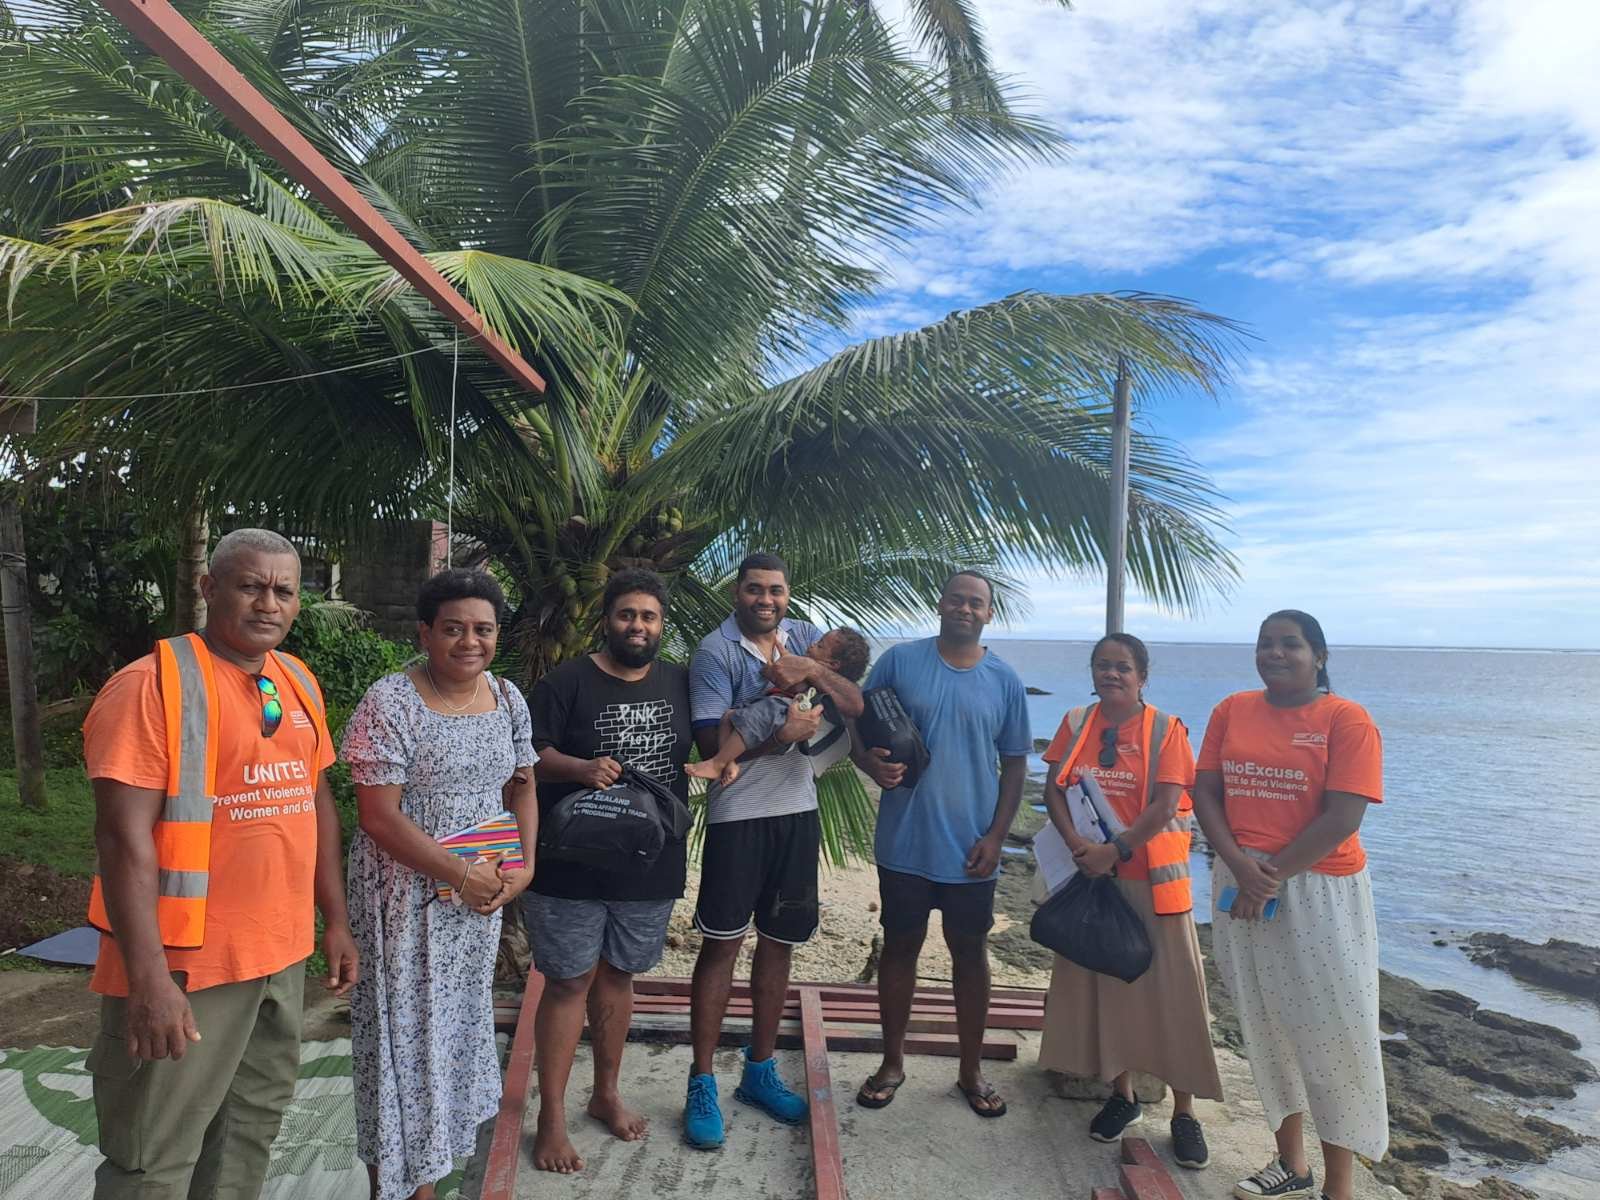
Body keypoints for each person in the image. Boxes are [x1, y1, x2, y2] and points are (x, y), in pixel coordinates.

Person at [82, 528, 359, 1200]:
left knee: (246, 1140)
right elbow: (123, 840)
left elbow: (314, 798)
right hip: (186, 965)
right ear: (210, 589)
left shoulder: (293, 679)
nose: (268, 602)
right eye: (250, 585)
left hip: (278, 957)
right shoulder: (150, 687)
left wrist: (335, 919)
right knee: (152, 1158)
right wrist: (150, 982)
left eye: (284, 590)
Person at [341, 569, 538, 1200]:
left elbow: (523, 788)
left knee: (452, 1032)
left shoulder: (508, 697)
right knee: (401, 1036)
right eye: (452, 629)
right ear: (425, 633)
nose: (469, 642)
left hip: (475, 903)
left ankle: (430, 1171)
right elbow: (377, 816)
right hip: (404, 898)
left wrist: (524, 866)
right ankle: (398, 1187)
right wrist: (459, 873)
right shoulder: (390, 701)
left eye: (482, 629)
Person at [1191, 611, 1386, 1200]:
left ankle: (1340, 1186)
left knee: (1334, 1033)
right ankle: (1290, 1164)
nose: (1274, 653)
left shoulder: (1346, 719)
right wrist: (1242, 870)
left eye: (1290, 644)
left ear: (1319, 656)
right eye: (1265, 644)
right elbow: (1205, 792)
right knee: (1265, 1023)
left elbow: (1344, 816)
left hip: (1318, 888)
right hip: (1239, 880)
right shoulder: (1232, 709)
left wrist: (1267, 877)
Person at [682, 552, 865, 1149]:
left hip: (798, 813)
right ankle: (702, 1079)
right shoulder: (715, 651)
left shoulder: (807, 637)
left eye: (777, 590)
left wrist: (813, 670)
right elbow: (713, 744)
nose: (766, 599)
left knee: (780, 945)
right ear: (738, 593)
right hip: (740, 815)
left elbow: (853, 699)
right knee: (721, 945)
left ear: (789, 595)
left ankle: (759, 1072)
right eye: (756, 589)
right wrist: (777, 738)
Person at [519, 568, 694, 1173]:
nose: (637, 626)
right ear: (607, 619)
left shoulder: (680, 681)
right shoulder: (567, 680)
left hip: (649, 864)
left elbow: (718, 735)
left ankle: (606, 1094)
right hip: (569, 865)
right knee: (567, 984)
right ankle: (552, 1118)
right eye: (627, 615)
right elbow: (527, 756)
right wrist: (579, 767)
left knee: (619, 978)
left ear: (662, 625)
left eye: (648, 617)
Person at [1036, 633, 1222, 1168]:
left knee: (1175, 997)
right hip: (1095, 879)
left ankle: (1185, 1113)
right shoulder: (1076, 723)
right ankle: (1124, 1097)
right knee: (1108, 988)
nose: (1110, 674)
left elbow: (1166, 805)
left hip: (1155, 885)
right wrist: (1078, 846)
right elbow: (1052, 789)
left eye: (1121, 667)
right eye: (1101, 665)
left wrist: (1113, 849)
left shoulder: (1166, 729)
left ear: (1142, 676)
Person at [852, 570, 1030, 1118]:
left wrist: (997, 838)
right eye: (956, 598)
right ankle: (891, 1061)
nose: (964, 608)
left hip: (971, 848)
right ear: (940, 602)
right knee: (899, 948)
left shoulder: (1004, 679)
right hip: (905, 842)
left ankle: (971, 1070)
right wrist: (867, 763)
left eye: (976, 603)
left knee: (970, 955)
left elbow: (1017, 762)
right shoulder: (900, 661)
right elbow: (858, 725)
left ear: (988, 615)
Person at [685, 626, 870, 787]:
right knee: (729, 717)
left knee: (751, 723)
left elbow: (797, 686)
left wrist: (782, 671)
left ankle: (718, 763)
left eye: (820, 645)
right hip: (773, 705)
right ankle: (729, 760)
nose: (812, 644)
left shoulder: (818, 671)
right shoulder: (714, 648)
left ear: (832, 664)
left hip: (781, 709)